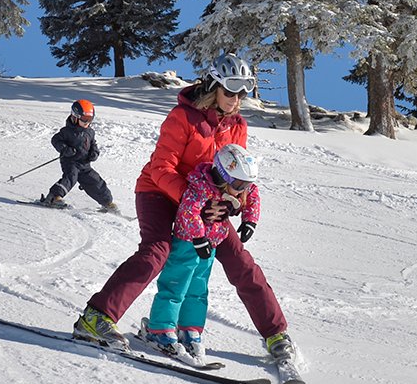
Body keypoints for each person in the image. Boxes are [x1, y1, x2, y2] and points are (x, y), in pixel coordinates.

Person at [72, 53, 295, 362]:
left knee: (240, 261)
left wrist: (233, 203)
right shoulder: (183, 117)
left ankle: (276, 334)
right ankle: (95, 318)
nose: (236, 98)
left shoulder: (237, 126)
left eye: (243, 91)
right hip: (158, 192)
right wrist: (199, 202)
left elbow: (235, 175)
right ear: (214, 86)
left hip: (205, 202)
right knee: (158, 251)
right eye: (231, 90)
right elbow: (162, 169)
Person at [141, 143, 261, 365]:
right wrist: (198, 238)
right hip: (187, 243)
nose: (243, 190)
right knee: (175, 285)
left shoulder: (238, 187)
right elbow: (189, 211)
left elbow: (253, 195)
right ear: (223, 175)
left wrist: (250, 221)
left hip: (211, 243)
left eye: (246, 184)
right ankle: (160, 328)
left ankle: (190, 329)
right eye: (239, 184)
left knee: (198, 289)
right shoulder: (200, 186)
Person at [39, 99, 118, 212]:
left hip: (85, 164)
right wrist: (65, 149)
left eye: (90, 120)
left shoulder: (90, 132)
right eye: (85, 119)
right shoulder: (67, 131)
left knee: (95, 181)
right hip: (70, 162)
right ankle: (54, 197)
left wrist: (94, 152)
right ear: (75, 117)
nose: (87, 123)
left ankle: (108, 203)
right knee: (71, 177)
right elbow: (55, 140)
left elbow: (93, 143)